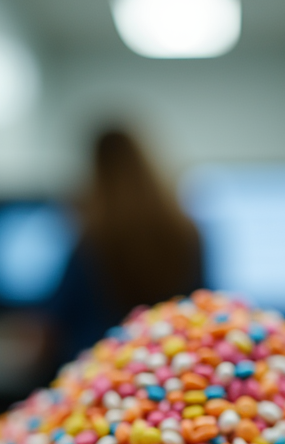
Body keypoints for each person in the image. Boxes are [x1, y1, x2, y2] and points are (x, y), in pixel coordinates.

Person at [47, 128, 203, 365]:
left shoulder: (91, 239)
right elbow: (202, 305)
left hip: (99, 372)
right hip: (171, 365)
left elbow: (56, 322)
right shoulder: (186, 232)